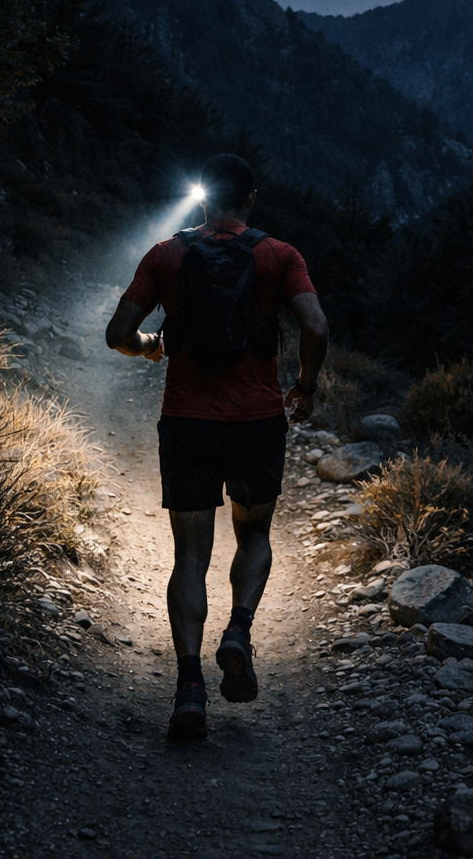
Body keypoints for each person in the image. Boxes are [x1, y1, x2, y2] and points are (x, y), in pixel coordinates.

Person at [105, 154, 328, 739]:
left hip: (187, 422)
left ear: (203, 200)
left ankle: (188, 689)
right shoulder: (280, 256)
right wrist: (303, 389)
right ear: (251, 199)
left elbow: (116, 334)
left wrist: (154, 346)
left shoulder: (166, 255)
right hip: (256, 421)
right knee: (253, 534)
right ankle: (238, 632)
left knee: (189, 557)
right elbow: (316, 326)